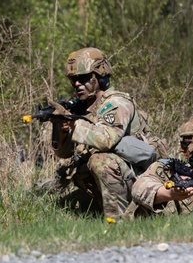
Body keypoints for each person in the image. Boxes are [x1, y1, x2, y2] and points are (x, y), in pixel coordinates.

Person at [46, 47, 162, 220]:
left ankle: (117, 221)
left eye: (83, 78)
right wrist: (60, 128)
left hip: (140, 180)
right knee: (58, 206)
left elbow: (106, 140)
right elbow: (64, 153)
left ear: (100, 76)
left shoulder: (116, 103)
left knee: (101, 160)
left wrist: (74, 124)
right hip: (105, 185)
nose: (77, 84)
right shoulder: (84, 108)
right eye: (73, 79)